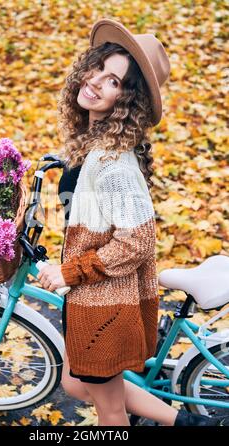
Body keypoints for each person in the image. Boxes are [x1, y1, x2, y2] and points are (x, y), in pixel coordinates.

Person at [37, 18, 229, 426]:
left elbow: (136, 242)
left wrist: (70, 271)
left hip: (106, 299)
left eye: (113, 82)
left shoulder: (114, 163)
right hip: (91, 296)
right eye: (98, 69)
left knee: (108, 410)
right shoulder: (95, 142)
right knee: (75, 383)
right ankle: (185, 422)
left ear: (127, 100)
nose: (95, 82)